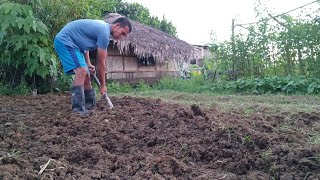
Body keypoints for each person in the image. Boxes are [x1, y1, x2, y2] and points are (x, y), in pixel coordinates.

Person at [54, 17, 132, 115]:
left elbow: (85, 46)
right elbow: (101, 63)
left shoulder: (101, 27)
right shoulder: (104, 33)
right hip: (65, 41)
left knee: (86, 74)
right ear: (117, 25)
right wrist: (103, 85)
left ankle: (89, 105)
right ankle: (77, 109)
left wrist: (88, 63)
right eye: (123, 33)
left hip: (76, 46)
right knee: (82, 71)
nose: (122, 37)